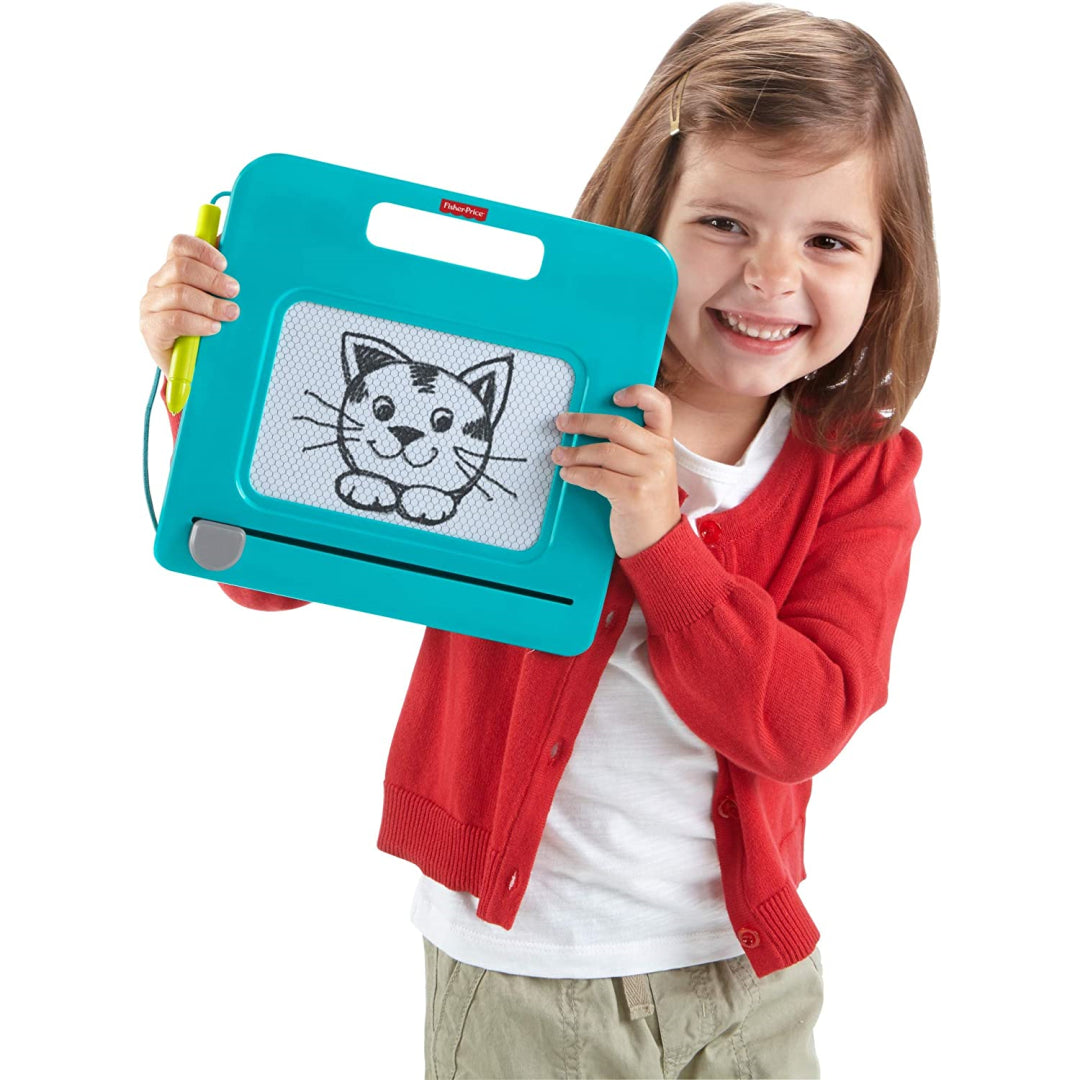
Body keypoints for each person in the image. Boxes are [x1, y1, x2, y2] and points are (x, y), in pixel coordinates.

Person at [138, 3, 937, 1075]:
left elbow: (800, 725)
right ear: (647, 217)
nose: (770, 276)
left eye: (829, 241)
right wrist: (205, 375)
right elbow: (264, 575)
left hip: (747, 976)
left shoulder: (861, 469)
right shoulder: (528, 393)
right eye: (724, 222)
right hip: (522, 969)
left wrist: (662, 541)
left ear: (888, 270)